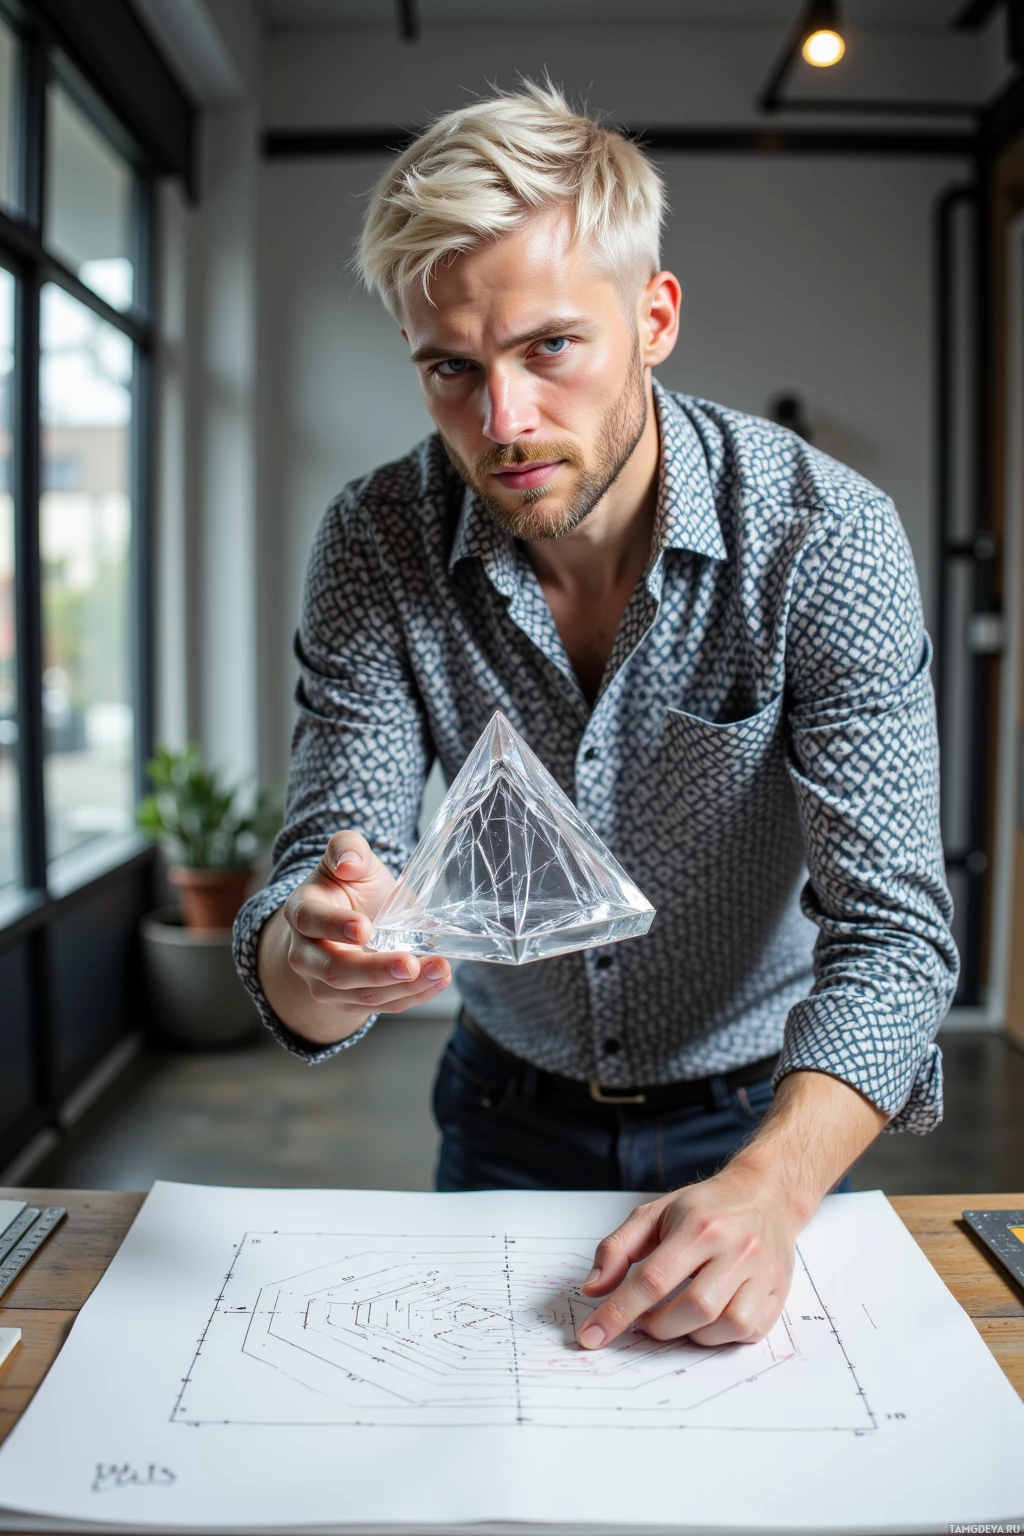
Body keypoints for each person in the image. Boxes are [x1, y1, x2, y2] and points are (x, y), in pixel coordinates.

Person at [233, 83, 958, 1355]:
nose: (501, 425)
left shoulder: (824, 538)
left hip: (772, 1119)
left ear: (653, 317)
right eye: (450, 368)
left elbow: (894, 939)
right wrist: (321, 959)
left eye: (550, 347)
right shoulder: (373, 540)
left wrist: (770, 1189)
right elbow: (314, 882)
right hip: (504, 1111)